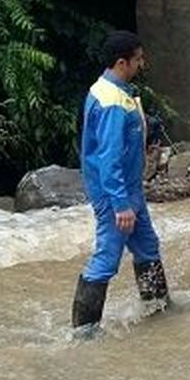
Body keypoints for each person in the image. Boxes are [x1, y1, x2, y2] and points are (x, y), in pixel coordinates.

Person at [72, 30, 170, 330]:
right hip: (116, 194)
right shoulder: (112, 101)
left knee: (148, 247)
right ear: (121, 63)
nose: (142, 64)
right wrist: (120, 204)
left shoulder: (111, 91)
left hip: (130, 190)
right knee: (106, 259)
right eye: (138, 59)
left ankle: (158, 310)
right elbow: (108, 157)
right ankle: (84, 332)